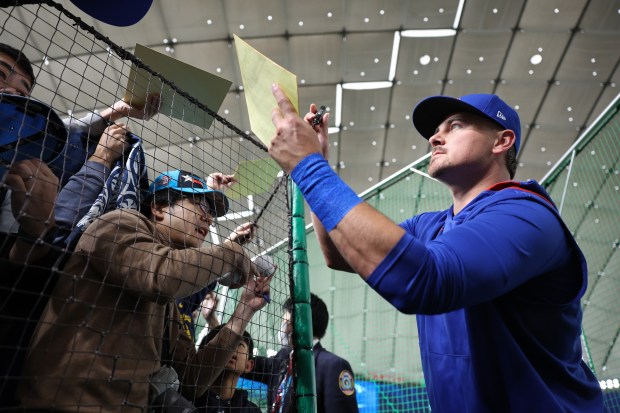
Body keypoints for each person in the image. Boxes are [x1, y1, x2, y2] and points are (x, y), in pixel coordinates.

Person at [268, 84, 604, 412]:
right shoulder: (432, 226)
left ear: (502, 141)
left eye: (455, 125)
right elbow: (341, 252)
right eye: (436, 129)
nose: (434, 137)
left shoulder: (525, 214)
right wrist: (318, 164)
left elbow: (427, 280)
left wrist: (309, 167)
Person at [18, 170, 265, 410]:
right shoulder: (119, 223)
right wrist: (231, 252)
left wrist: (243, 312)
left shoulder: (167, 302)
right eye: (199, 204)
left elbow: (192, 380)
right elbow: (161, 276)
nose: (208, 218)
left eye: (211, 212)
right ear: (157, 208)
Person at [250, 294, 358, 413]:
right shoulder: (283, 357)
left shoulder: (333, 366)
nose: (283, 329)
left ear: (303, 324)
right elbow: (247, 364)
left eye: (286, 323)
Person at [193, 325, 262, 413]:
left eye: (240, 344)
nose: (231, 347)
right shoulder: (187, 401)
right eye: (223, 341)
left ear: (248, 366)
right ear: (203, 355)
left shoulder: (253, 411)